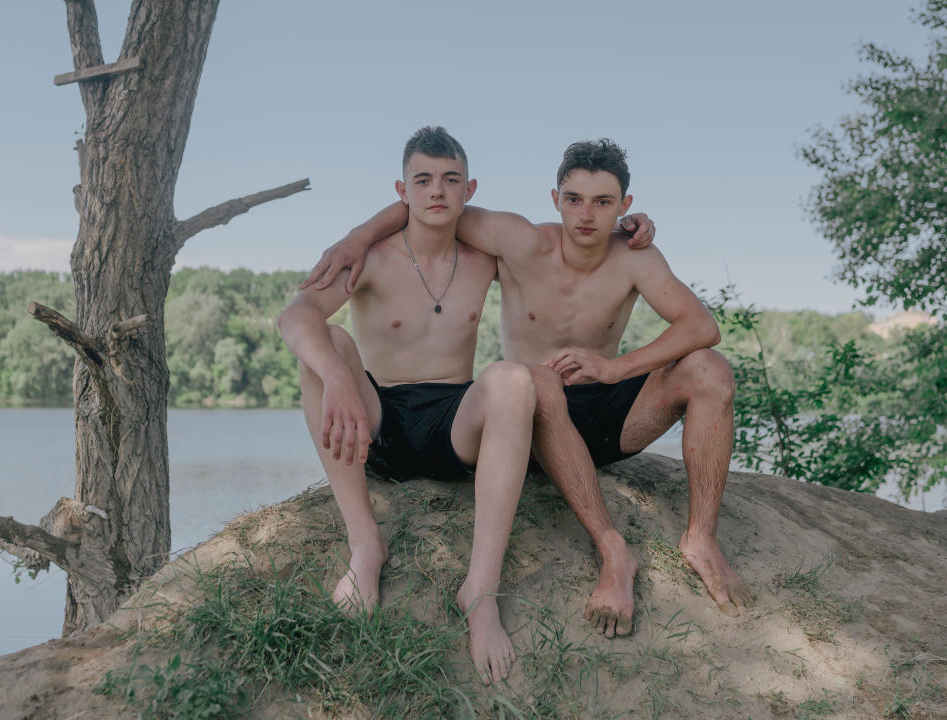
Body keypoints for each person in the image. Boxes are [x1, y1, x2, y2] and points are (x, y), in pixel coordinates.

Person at [303, 138, 755, 639]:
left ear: (625, 207)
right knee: (537, 378)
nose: (586, 214)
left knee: (710, 368)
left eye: (603, 202)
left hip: (609, 412)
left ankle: (701, 539)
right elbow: (431, 206)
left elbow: (701, 327)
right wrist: (357, 237)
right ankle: (612, 551)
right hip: (535, 416)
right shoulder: (516, 240)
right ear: (554, 198)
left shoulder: (636, 257)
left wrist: (615, 368)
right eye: (574, 199)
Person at [278, 127, 538, 684]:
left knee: (513, 380)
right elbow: (295, 315)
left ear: (470, 189)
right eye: (423, 180)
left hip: (454, 424)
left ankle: (481, 591)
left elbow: (565, 241)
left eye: (449, 180)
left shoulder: (486, 256)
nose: (437, 192)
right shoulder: (369, 257)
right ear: (403, 190)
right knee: (331, 343)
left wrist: (626, 229)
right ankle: (365, 546)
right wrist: (337, 377)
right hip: (379, 418)